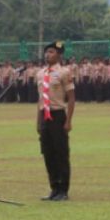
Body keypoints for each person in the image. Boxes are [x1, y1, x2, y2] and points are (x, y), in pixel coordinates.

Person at [36, 41, 75, 202]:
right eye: (47, 52)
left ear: (59, 55)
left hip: (58, 115)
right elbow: (39, 99)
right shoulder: (40, 74)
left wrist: (68, 120)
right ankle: (53, 188)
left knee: (61, 153)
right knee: (48, 153)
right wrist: (38, 122)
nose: (48, 55)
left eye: (51, 52)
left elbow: (71, 98)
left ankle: (63, 190)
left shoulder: (64, 73)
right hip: (44, 115)